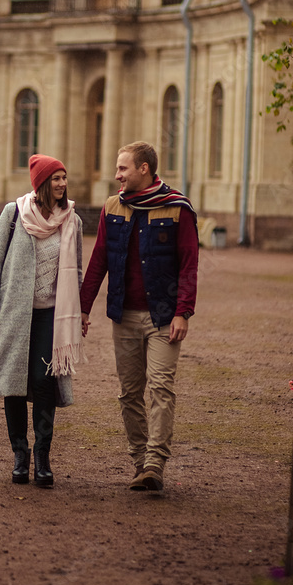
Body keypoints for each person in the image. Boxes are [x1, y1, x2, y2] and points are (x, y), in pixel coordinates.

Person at [80, 140, 199, 493]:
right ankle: (139, 460)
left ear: (143, 169)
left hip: (164, 318)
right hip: (124, 315)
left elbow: (189, 264)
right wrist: (82, 309)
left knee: (160, 387)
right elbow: (99, 259)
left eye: (122, 169)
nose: (116, 175)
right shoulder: (112, 208)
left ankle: (154, 463)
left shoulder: (178, 208)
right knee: (129, 393)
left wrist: (183, 312)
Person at [0, 154, 84, 489]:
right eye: (56, 178)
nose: (62, 184)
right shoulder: (14, 214)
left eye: (65, 178)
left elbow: (76, 270)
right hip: (14, 311)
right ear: (41, 183)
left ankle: (43, 458)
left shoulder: (72, 221)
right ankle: (20, 456)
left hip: (52, 315)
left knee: (42, 381)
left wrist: (79, 313)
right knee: (12, 382)